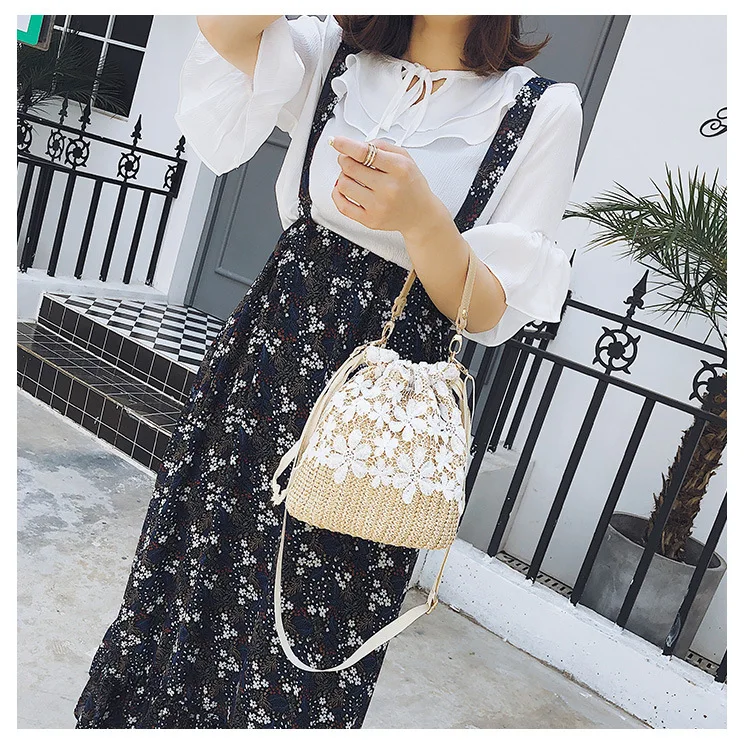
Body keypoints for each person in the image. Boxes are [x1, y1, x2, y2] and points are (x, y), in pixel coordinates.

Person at [74, 14, 583, 728]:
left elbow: (488, 309)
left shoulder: (536, 108)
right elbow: (225, 30)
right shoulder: (335, 55)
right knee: (190, 582)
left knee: (309, 635)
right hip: (262, 374)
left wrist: (423, 221)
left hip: (379, 421)